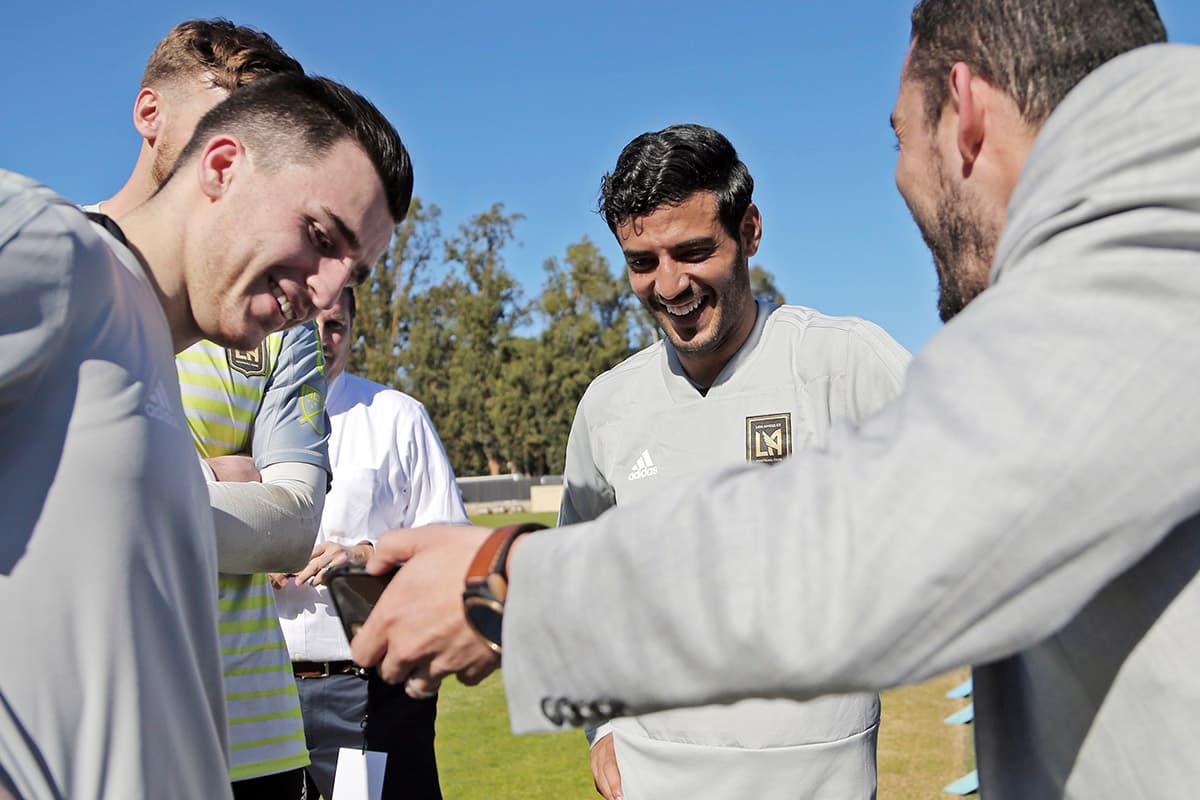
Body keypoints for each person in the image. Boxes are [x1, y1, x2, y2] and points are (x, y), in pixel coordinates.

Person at [349, 0, 1200, 796]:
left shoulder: (1154, 258)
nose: (903, 178)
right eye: (644, 262)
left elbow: (887, 540)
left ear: (966, 113)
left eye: (901, 136)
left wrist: (509, 588)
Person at [0, 72, 410, 799]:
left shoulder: (147, 349)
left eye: (352, 272)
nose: (322, 294)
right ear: (221, 166)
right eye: (319, 237)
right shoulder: (57, 251)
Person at [561, 124, 909, 800]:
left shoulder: (843, 365)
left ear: (749, 229)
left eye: (694, 251)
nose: (670, 285)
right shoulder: (608, 408)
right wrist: (601, 725)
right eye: (642, 261)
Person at [90, 22, 334, 794]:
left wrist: (128, 478)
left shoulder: (277, 317)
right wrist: (217, 476)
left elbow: (293, 527)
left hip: (255, 741)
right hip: (97, 741)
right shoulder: (51, 263)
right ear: (148, 112)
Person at [272, 287, 469, 799]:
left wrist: (366, 556)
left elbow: (454, 552)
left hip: (369, 693)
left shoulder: (397, 417)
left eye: (334, 326)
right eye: (305, 325)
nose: (320, 340)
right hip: (259, 692)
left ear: (353, 330)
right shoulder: (242, 423)